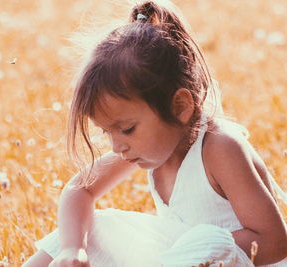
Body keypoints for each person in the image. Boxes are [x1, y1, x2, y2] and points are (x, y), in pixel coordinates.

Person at [23, 1, 287, 266]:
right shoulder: (148, 149)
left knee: (208, 240)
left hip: (233, 259)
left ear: (180, 107)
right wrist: (73, 248)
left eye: (127, 129)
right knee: (95, 226)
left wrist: (188, 251)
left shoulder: (220, 149)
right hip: (177, 258)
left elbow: (274, 242)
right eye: (107, 132)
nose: (117, 146)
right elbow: (79, 190)